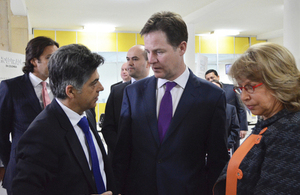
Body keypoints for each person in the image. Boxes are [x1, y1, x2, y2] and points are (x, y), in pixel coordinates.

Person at [113, 11, 228, 195]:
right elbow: (122, 153)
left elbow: (218, 159)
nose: (151, 60)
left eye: (159, 52)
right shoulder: (133, 92)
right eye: (148, 52)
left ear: (182, 48)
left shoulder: (211, 96)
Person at [12, 44, 115, 195]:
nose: (101, 87)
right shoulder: (40, 135)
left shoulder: (87, 113)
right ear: (71, 91)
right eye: (93, 83)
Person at [213, 42, 300, 194]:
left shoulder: (291, 129)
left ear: (277, 81)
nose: (244, 97)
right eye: (241, 88)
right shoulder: (269, 122)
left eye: (250, 87)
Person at [0, 36, 58, 194]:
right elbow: (1, 133)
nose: (55, 62)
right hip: (21, 171)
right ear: (33, 61)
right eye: (49, 57)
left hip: (56, 171)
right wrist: (11, 162)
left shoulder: (61, 88)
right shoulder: (11, 87)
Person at [102, 45, 150, 155]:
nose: (130, 63)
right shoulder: (117, 91)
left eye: (135, 59)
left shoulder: (158, 91)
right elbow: (108, 127)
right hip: (121, 161)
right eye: (128, 59)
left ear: (148, 62)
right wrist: (121, 151)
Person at [205, 69, 248, 148]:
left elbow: (241, 108)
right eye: (207, 79)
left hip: (232, 128)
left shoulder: (231, 89)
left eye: (212, 77)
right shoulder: (207, 92)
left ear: (218, 77)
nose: (210, 80)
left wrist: (243, 127)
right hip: (216, 131)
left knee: (233, 152)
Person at [211, 80, 239, 153]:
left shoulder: (230, 109)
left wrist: (228, 144)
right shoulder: (202, 109)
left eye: (217, 90)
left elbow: (235, 129)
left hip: (225, 148)